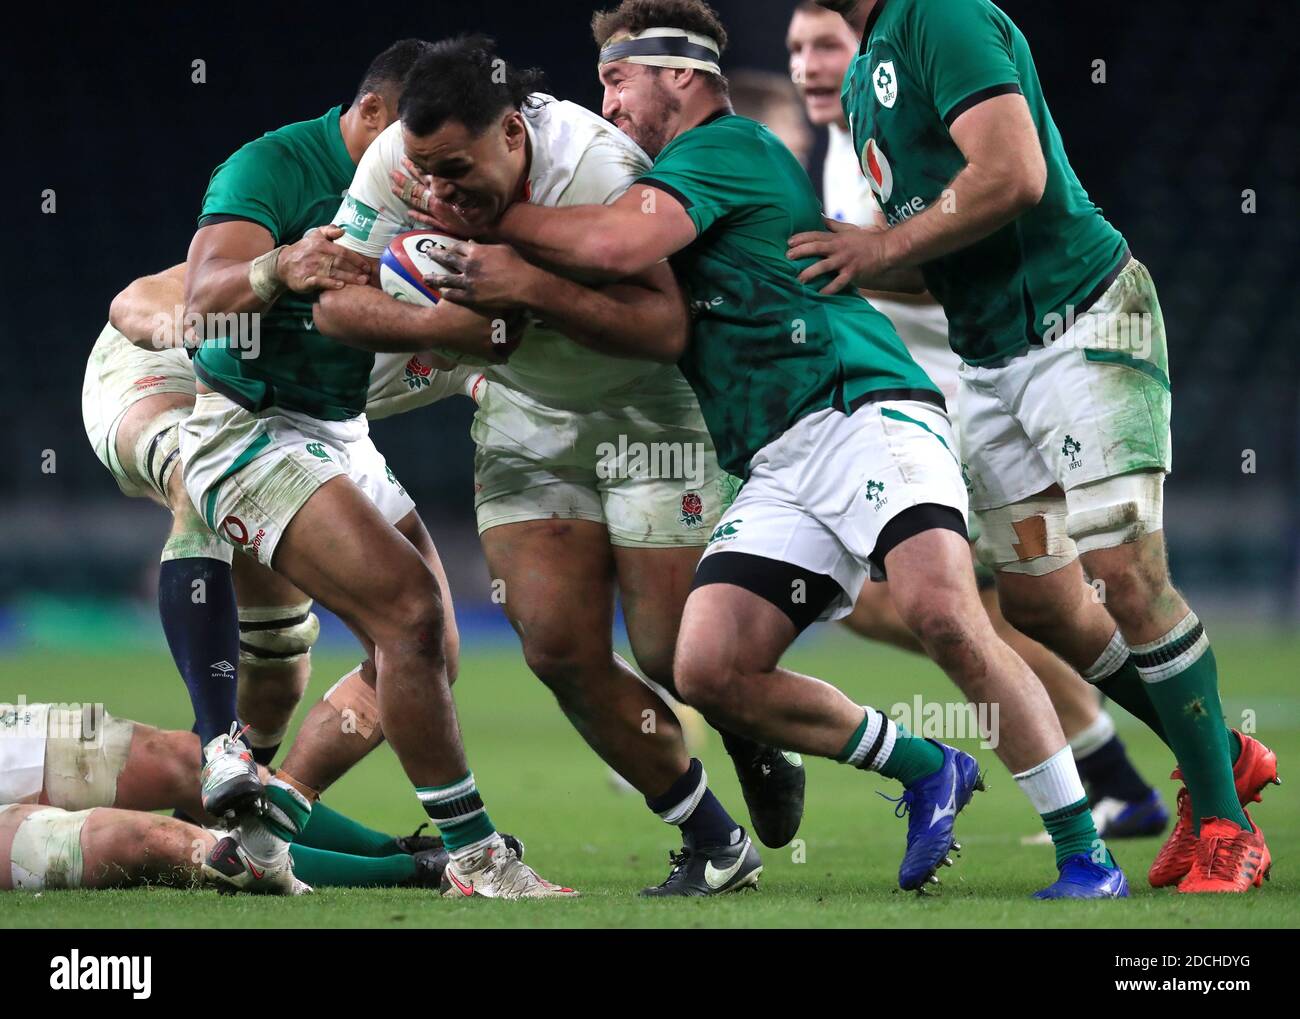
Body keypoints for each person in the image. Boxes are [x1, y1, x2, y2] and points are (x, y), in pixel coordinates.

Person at [393, 0, 1128, 898]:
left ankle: (1085, 850)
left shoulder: (724, 150)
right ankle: (926, 764)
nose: (610, 106)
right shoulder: (672, 167)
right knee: (708, 665)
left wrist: (486, 225)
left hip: (861, 405)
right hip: (778, 454)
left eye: (617, 80)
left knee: (943, 611)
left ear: (680, 74)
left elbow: (618, 242)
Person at [313, 35, 812, 894]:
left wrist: (528, 287)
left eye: (456, 169)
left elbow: (665, 328)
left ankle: (746, 725)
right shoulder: (401, 160)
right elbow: (335, 301)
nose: (436, 192)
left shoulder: (599, 167)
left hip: (653, 412)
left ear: (513, 133)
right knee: (558, 647)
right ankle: (713, 841)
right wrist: (449, 331)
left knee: (669, 650)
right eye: (425, 171)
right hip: (527, 417)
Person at [798, 0, 1277, 893]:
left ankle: (1223, 819)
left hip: (1084, 323)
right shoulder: (866, 75)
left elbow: (1012, 173)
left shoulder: (938, 14)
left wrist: (878, 245)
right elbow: (926, 252)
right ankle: (1218, 750)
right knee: (1044, 605)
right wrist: (840, 267)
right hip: (986, 364)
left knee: (1124, 574)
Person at [177, 38, 572, 899]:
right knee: (410, 610)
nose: (430, 186)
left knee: (435, 647)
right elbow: (201, 292)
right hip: (248, 427)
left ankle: (267, 827)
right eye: (415, 158)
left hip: (339, 426)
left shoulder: (433, 189)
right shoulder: (274, 166)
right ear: (370, 116)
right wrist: (280, 264)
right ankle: (476, 858)